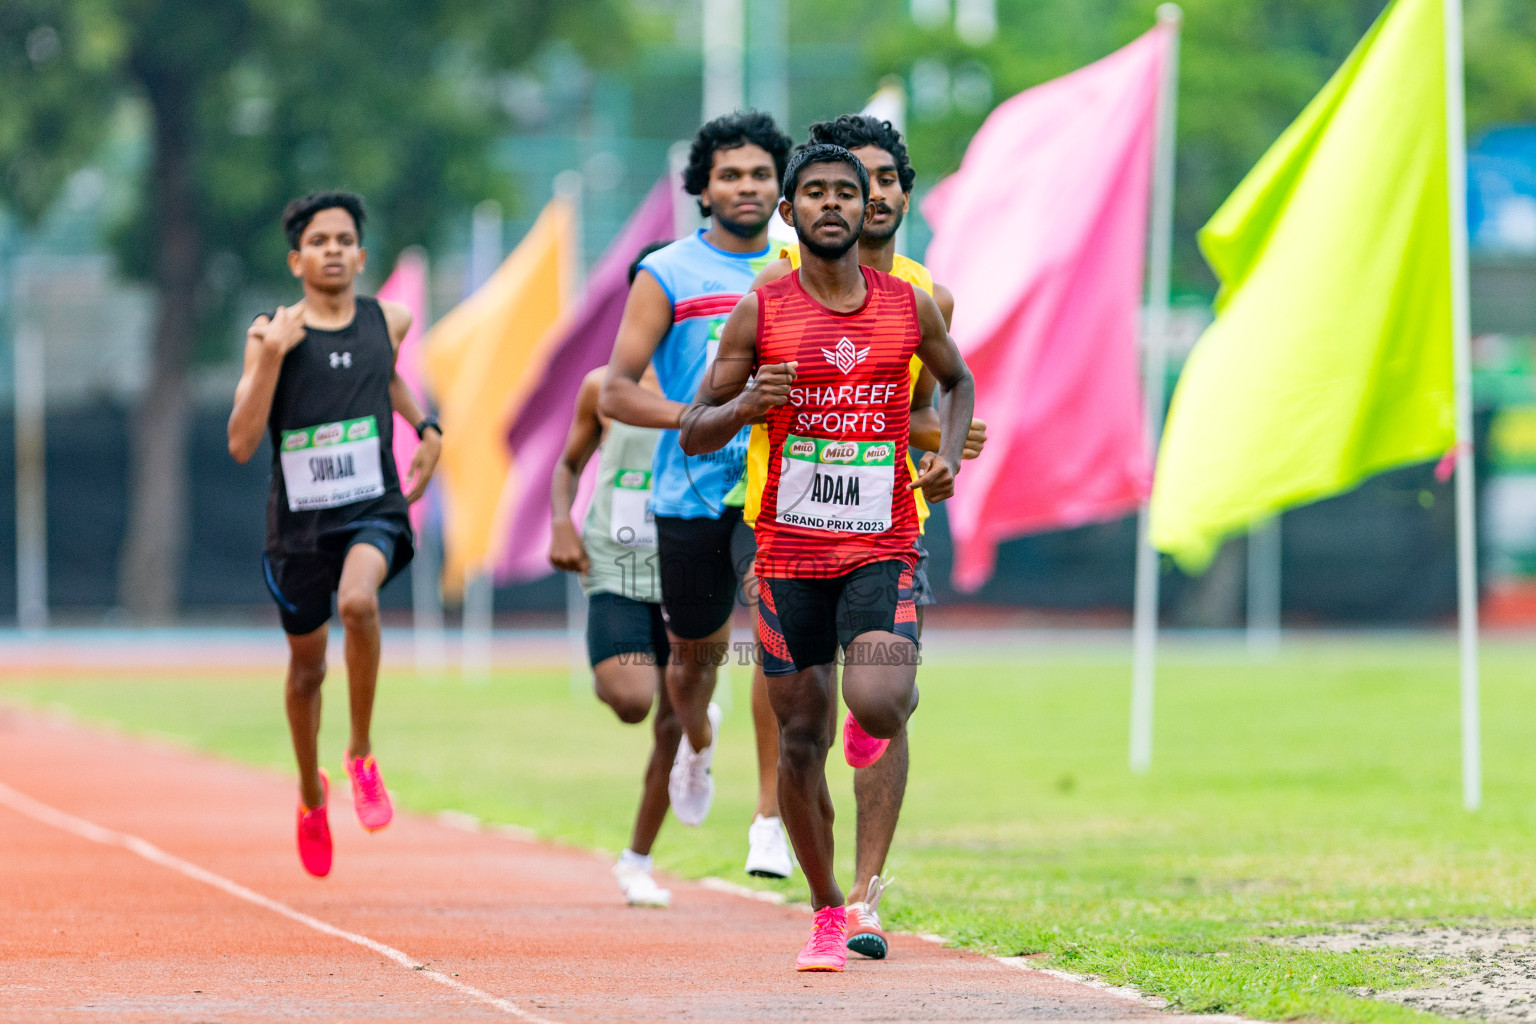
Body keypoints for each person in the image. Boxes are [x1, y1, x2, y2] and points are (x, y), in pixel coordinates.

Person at [682, 144, 975, 972]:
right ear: (790, 212)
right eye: (815, 193)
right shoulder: (760, 310)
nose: (836, 205)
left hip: (884, 546)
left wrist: (944, 454)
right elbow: (694, 429)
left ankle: (869, 879)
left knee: (879, 701)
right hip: (786, 559)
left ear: (868, 207)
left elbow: (959, 383)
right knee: (801, 739)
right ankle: (825, 910)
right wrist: (746, 403)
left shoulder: (909, 308)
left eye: (849, 192)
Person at [600, 111, 795, 879]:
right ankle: (699, 738)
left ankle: (770, 819)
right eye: (730, 174)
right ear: (703, 187)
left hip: (779, 487)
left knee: (782, 644)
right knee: (693, 663)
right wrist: (704, 417)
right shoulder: (669, 272)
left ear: (780, 186)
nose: (745, 186)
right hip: (689, 492)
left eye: (758, 173)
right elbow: (616, 390)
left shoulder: (802, 266)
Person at [227, 191, 441, 878]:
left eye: (344, 240)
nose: (333, 250)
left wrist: (428, 428)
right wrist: (268, 359)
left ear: (361, 254)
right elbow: (239, 442)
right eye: (319, 241)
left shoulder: (391, 320)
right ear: (297, 260)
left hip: (372, 507)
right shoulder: (272, 333)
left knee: (359, 603)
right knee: (307, 670)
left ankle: (360, 754)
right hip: (298, 531)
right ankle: (307, 792)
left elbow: (386, 381)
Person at [548, 243, 679, 908]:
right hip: (618, 563)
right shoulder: (604, 387)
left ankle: (638, 859)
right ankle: (681, 705)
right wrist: (562, 524)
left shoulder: (720, 385)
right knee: (632, 701)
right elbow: (567, 464)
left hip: (690, 568)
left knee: (674, 719)